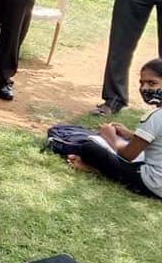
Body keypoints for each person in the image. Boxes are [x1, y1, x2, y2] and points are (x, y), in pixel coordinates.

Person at [68, 58, 162, 199]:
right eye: (142, 83)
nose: (144, 88)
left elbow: (128, 155)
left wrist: (109, 136)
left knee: (89, 148)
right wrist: (131, 136)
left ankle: (97, 169)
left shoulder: (155, 116)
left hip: (154, 184)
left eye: (152, 83)